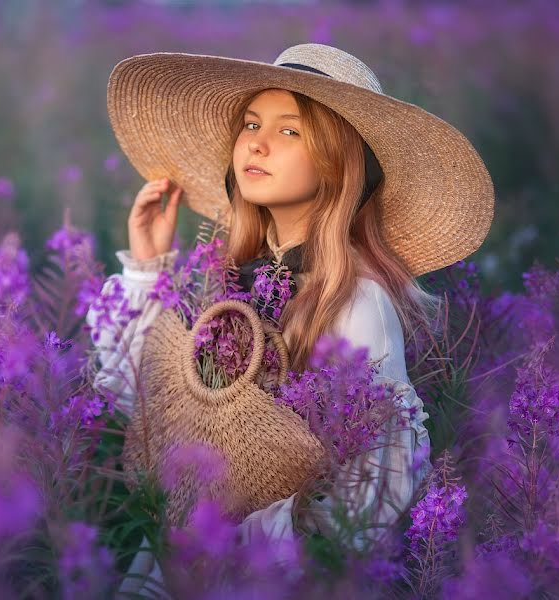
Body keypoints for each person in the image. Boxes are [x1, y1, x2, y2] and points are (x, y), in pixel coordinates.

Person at [86, 42, 494, 597]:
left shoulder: (356, 299)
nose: (255, 141)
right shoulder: (229, 283)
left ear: (338, 164)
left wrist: (247, 551)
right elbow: (148, 409)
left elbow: (381, 474)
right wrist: (147, 267)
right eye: (251, 123)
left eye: (289, 131)